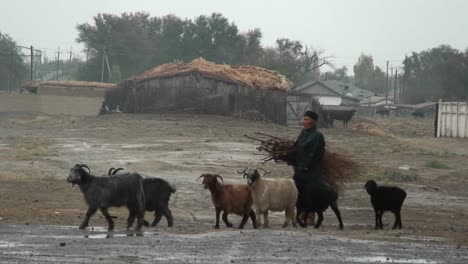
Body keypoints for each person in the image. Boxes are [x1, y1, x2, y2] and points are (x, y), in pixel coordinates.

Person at [293, 110, 326, 224]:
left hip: (312, 171)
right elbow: (296, 147)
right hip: (299, 169)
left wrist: (306, 166)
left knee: (310, 193)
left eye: (307, 120)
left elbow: (314, 154)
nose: (304, 122)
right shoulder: (303, 133)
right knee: (299, 192)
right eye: (304, 119)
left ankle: (311, 216)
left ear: (313, 122)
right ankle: (301, 215)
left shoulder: (317, 136)